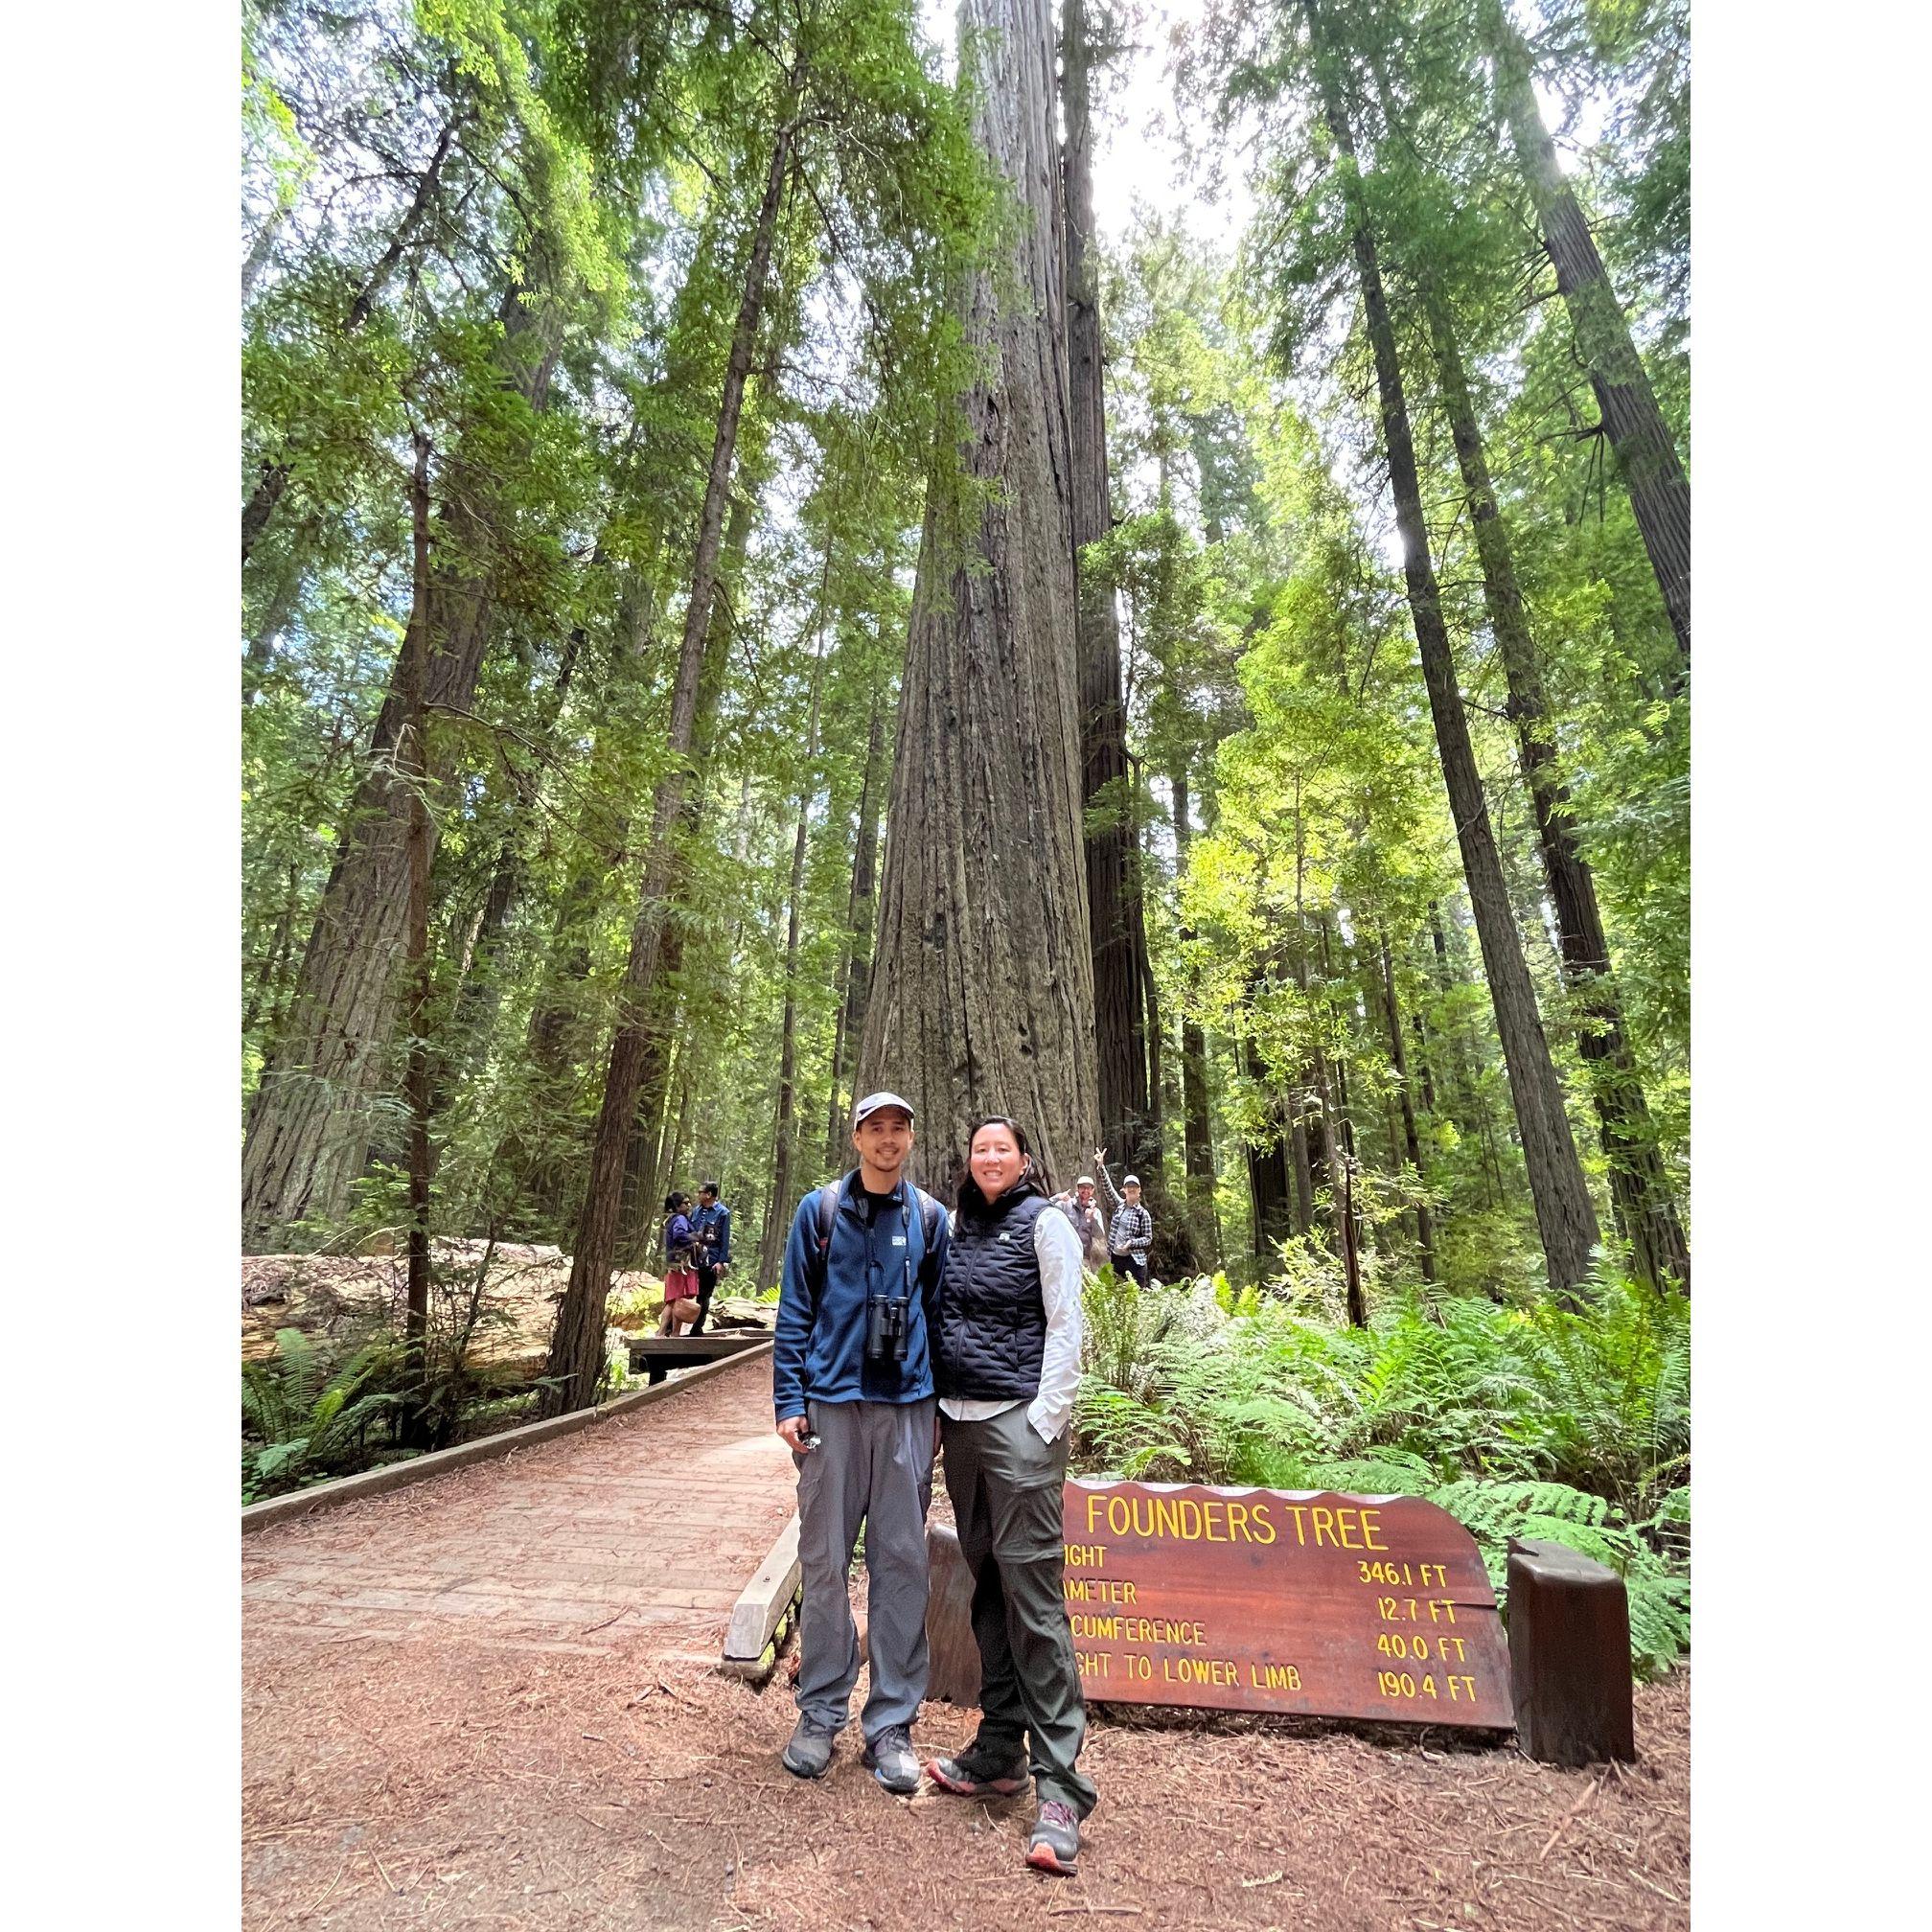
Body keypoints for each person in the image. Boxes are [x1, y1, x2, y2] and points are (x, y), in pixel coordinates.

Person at [927, 1116, 1096, 1876]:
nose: (990, 1158)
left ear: (1024, 1160)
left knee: (1034, 1596)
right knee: (988, 1585)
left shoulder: (1047, 1223)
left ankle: (1061, 1788)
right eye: (980, 1148)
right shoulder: (954, 1225)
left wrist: (1044, 1417)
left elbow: (1067, 1323)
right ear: (968, 1160)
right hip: (959, 1425)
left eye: (1003, 1148)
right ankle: (1000, 1748)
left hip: (1018, 1425)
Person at [772, 1091, 949, 1795]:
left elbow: (941, 1315)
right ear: (856, 1138)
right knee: (823, 1562)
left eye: (898, 1129)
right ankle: (820, 1713)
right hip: (832, 1408)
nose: (886, 1140)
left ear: (910, 1138)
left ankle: (892, 1725)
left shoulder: (930, 1218)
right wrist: (790, 1400)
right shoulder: (818, 1214)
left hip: (907, 1408)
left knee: (902, 1564)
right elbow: (794, 1311)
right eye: (874, 1128)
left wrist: (941, 1410)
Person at [1094, 1148, 1153, 1289]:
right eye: (1128, 1186)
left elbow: (1148, 1238)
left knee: (1136, 1296)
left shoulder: (1142, 1214)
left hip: (1134, 1261)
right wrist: (1101, 1166)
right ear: (1124, 1190)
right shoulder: (1119, 1205)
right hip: (1116, 1259)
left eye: (1134, 1187)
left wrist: (1131, 1243)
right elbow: (1108, 1188)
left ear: (1139, 1191)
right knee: (1118, 1295)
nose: (1131, 1189)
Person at [689, 1182, 732, 1335]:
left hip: (711, 1259)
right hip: (693, 1259)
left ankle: (697, 1328)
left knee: (704, 1294)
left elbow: (725, 1239)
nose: (698, 1195)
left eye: (701, 1192)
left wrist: (721, 1261)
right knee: (689, 1292)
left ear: (708, 1194)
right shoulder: (696, 1211)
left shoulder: (723, 1213)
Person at [658, 1192, 702, 1334]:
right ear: (677, 1206)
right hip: (681, 1265)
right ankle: (662, 1332)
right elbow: (680, 1235)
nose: (689, 1205)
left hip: (677, 1265)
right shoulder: (680, 1219)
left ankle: (674, 1333)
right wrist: (695, 1238)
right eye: (685, 1203)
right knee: (675, 1301)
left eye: (689, 1202)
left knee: (678, 1300)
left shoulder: (675, 1219)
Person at [1053, 1174, 1109, 1272]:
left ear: (1092, 1190)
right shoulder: (1067, 1204)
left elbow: (1100, 1235)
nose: (1085, 1191)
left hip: (1084, 1258)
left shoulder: (1095, 1212)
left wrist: (1092, 1219)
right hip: (1065, 1255)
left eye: (1088, 1188)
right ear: (1078, 1189)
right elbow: (1045, 1207)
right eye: (1082, 1187)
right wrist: (1057, 1197)